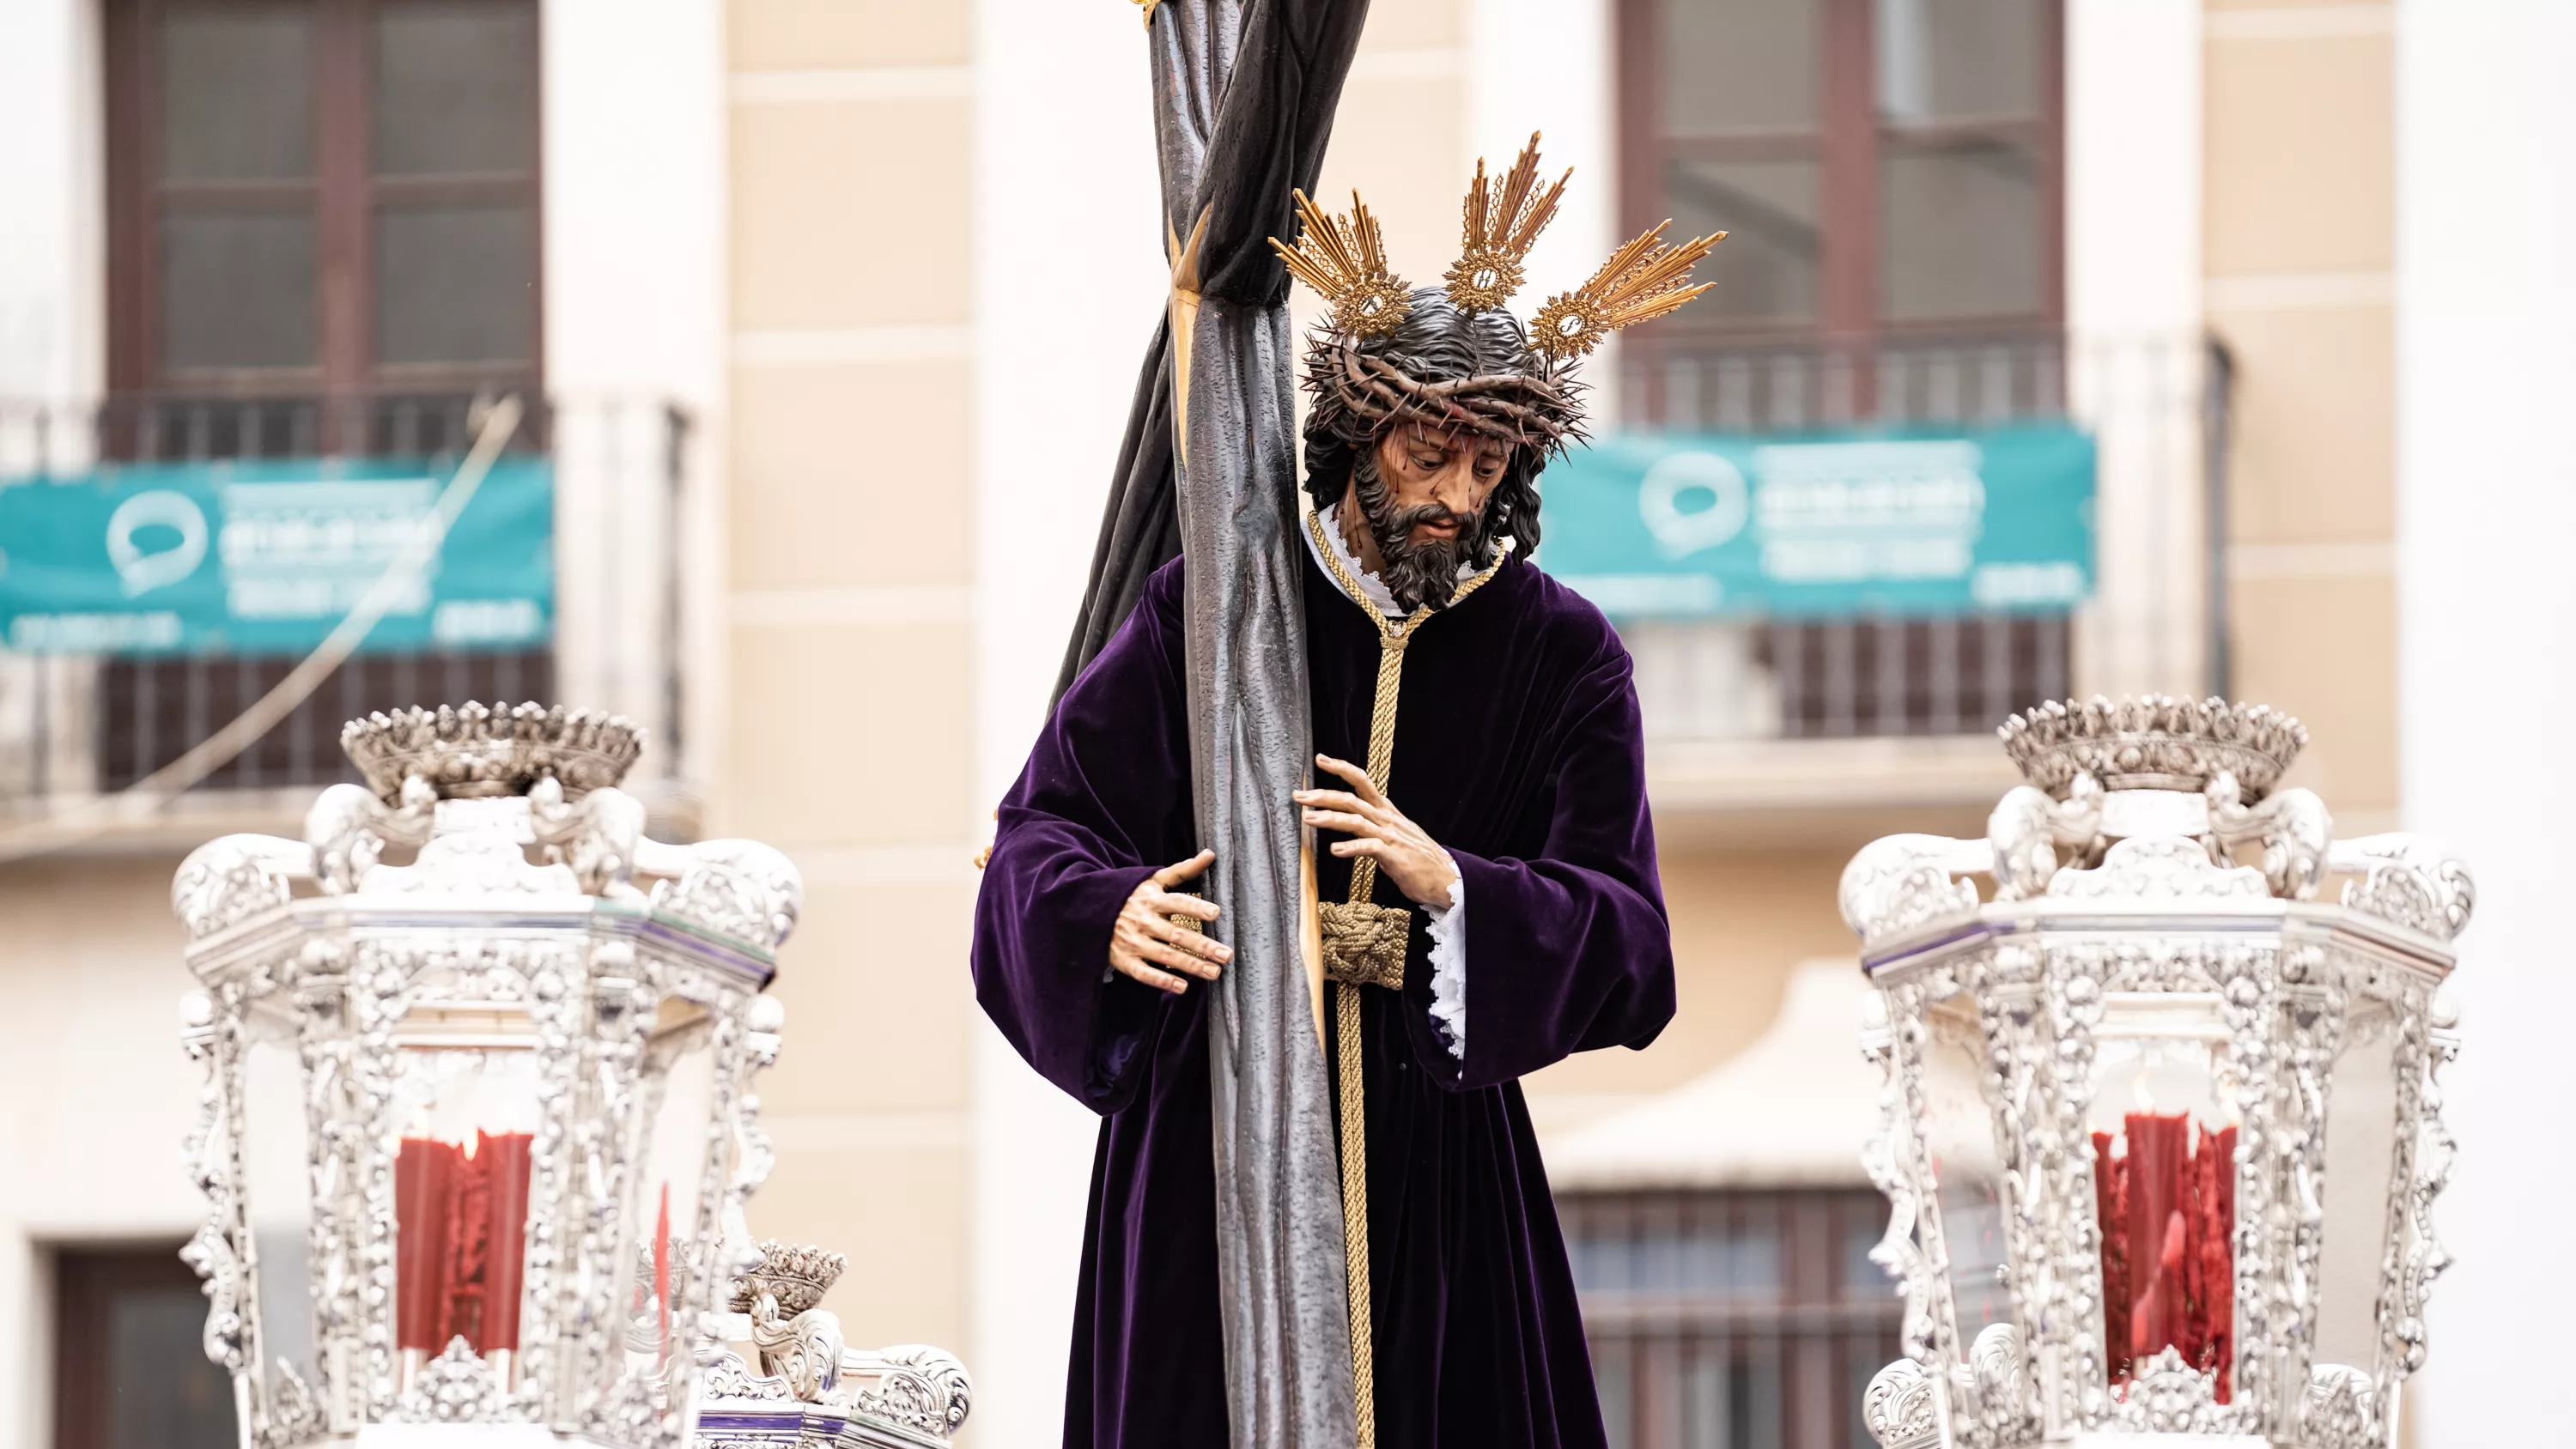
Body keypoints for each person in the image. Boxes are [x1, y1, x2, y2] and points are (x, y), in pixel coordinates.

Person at [973, 138, 1722, 1449]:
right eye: (1431, 456)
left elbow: (1634, 947)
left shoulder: (1563, 653)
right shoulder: (1211, 608)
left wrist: (1458, 888)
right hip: (1217, 1129)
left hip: (1446, 1170)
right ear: (1362, 432)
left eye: (1487, 470)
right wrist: (1102, 916)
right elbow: (1039, 832)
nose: (1454, 498)